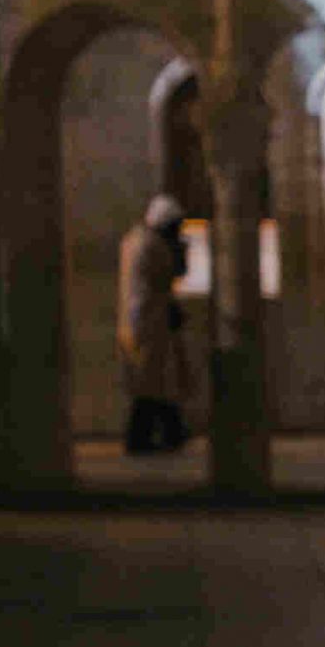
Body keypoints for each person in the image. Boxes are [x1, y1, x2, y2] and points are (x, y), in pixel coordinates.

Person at [117, 194, 192, 453]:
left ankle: (171, 433)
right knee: (151, 384)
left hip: (139, 320)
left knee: (154, 382)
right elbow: (175, 272)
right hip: (148, 321)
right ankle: (143, 439)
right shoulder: (153, 244)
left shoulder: (133, 239)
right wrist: (180, 252)